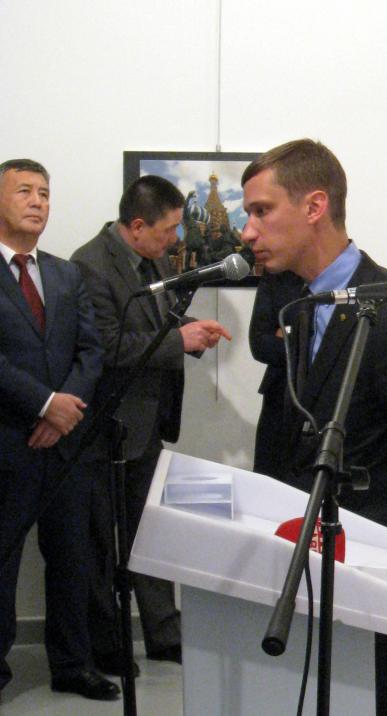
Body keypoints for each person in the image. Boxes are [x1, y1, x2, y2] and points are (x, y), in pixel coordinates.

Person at [240, 138, 387, 715]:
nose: (247, 231)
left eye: (261, 211)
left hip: (378, 577)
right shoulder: (294, 304)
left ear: (314, 207)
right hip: (304, 568)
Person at [70, 175, 231, 675]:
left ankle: (164, 634)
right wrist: (178, 342)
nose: (175, 239)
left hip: (150, 425)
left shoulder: (155, 260)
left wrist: (191, 335)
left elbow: (158, 329)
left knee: (153, 533)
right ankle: (109, 644)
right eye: (168, 229)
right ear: (137, 226)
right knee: (101, 543)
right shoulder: (90, 265)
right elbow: (108, 347)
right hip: (107, 427)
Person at [0, 159, 118, 700]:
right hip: (9, 443)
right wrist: (44, 404)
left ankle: (74, 666)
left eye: (45, 193)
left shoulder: (66, 273)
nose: (37, 202)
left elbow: (91, 350)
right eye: (24, 191)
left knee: (72, 558)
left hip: (67, 445)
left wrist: (65, 410)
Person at [248, 269, 304, 476]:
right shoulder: (277, 278)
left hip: (327, 402)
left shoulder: (349, 282)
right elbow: (260, 345)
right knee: (270, 486)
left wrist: (287, 333)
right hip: (279, 397)